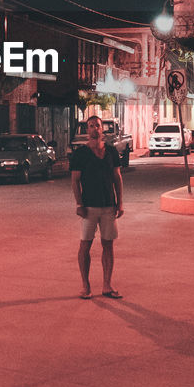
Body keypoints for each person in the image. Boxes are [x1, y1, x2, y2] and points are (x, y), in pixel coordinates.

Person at [70, 114, 124, 299]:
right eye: (91, 126)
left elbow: (117, 177)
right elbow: (75, 181)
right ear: (87, 130)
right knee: (85, 246)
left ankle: (107, 285)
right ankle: (85, 286)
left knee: (108, 245)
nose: (95, 128)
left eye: (97, 125)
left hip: (108, 205)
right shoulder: (80, 154)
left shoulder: (111, 152)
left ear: (102, 129)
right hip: (89, 208)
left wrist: (120, 203)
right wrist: (79, 203)